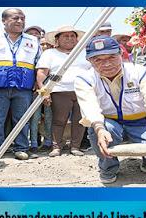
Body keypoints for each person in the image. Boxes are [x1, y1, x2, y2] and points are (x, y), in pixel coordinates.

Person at [74, 36, 146, 184]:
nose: (107, 64)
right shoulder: (84, 79)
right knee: (99, 131)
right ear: (89, 61)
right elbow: (90, 107)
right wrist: (99, 129)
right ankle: (108, 167)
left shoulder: (140, 72)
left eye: (112, 57)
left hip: (141, 122)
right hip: (109, 122)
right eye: (98, 60)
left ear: (121, 54)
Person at [0, 8, 41, 160]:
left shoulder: (33, 40)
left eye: (23, 18)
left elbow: (39, 63)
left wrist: (38, 81)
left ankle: (21, 148)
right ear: (4, 21)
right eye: (16, 18)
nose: (20, 21)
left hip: (24, 87)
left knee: (22, 119)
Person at [36, 25, 91, 157]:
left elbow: (93, 70)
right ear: (57, 39)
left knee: (80, 120)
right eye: (65, 36)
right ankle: (56, 147)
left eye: (72, 36)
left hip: (82, 91)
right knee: (59, 120)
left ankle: (75, 146)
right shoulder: (49, 53)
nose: (69, 38)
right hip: (59, 91)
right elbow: (42, 73)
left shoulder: (84, 53)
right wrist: (45, 92)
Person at [24, 26, 53, 155]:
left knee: (49, 115)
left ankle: (48, 141)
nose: (35, 36)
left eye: (38, 34)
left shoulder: (51, 54)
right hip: (33, 89)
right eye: (32, 34)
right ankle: (34, 143)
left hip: (50, 87)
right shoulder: (26, 51)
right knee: (34, 117)